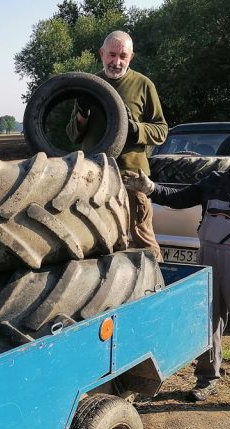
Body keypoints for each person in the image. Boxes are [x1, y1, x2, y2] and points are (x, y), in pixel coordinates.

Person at [122, 123, 230, 420]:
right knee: (206, 322)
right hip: (207, 261)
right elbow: (178, 198)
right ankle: (206, 379)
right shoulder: (214, 181)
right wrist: (149, 189)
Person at [66, 30, 168, 261]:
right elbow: (73, 136)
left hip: (131, 176)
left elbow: (161, 131)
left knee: (141, 236)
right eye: (112, 54)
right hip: (93, 176)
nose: (116, 61)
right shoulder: (89, 85)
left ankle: (161, 289)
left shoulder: (143, 85)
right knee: (98, 238)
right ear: (102, 53)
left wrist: (136, 129)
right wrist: (83, 112)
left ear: (131, 57)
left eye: (123, 56)